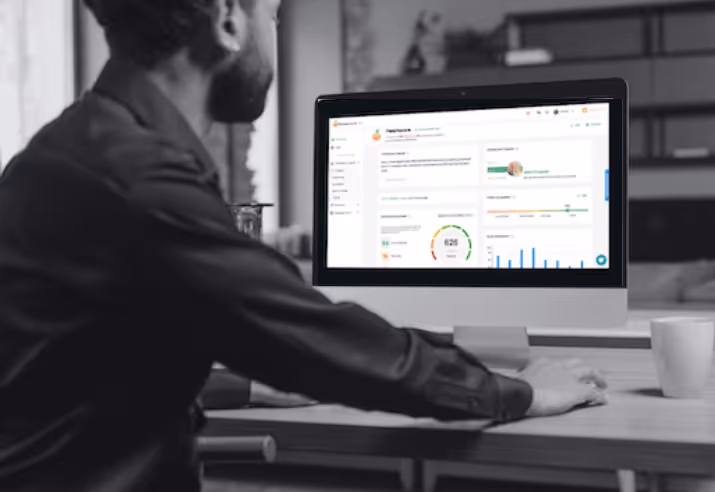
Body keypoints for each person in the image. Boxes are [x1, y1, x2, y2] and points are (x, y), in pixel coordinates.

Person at [0, 0, 608, 490]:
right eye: (275, 15)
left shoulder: (71, 151)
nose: (275, 32)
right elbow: (322, 341)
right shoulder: (140, 181)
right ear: (229, 19)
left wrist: (249, 385)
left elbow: (84, 367)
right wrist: (521, 392)